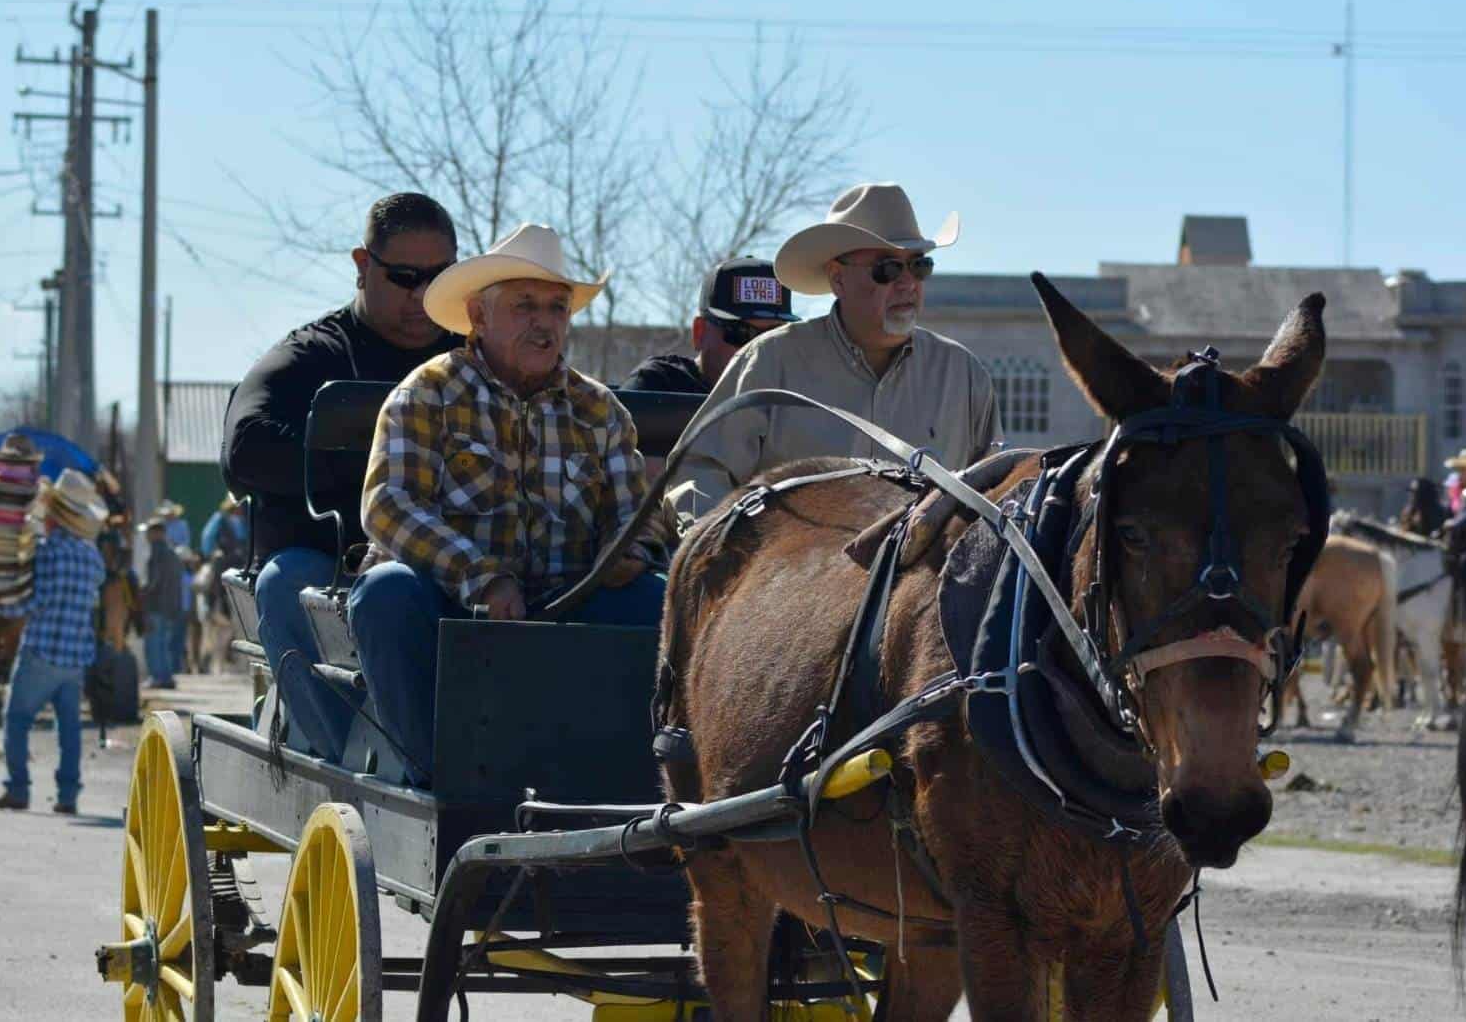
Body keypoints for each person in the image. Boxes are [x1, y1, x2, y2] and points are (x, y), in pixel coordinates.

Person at [344, 223, 666, 780]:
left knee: (659, 601)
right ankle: (436, 780)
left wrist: (630, 550)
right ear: (478, 315)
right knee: (384, 594)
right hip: (451, 613)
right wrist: (483, 577)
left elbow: (638, 515)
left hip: (573, 612)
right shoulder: (426, 394)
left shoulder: (601, 411)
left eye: (557, 308)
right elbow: (388, 506)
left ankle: (643, 779)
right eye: (524, 306)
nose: (544, 325)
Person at [222, 193, 462, 731]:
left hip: (455, 563)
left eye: (438, 277)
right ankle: (336, 760)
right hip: (328, 562)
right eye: (403, 276)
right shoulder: (312, 355)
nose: (421, 294)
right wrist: (384, 475)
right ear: (362, 266)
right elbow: (244, 450)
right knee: (285, 582)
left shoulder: (474, 358)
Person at [671, 182, 998, 528]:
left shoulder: (964, 376)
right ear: (838, 279)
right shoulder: (769, 362)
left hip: (927, 579)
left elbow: (996, 493)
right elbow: (697, 472)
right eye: (887, 269)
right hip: (792, 578)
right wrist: (727, 551)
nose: (907, 283)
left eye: (919, 266)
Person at [0, 470, 108, 814]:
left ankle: (18, 789)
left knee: (17, 718)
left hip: (42, 649)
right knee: (68, 727)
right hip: (76, 655)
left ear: (52, 515)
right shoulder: (91, 557)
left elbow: (35, 600)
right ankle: (68, 796)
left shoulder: (46, 551)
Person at [621, 258, 797, 395]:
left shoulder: (792, 396)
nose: (758, 349)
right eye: (741, 333)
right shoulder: (658, 385)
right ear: (700, 332)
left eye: (774, 335)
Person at [140, 515, 185, 689]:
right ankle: (166, 677)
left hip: (156, 605)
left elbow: (154, 581)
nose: (146, 536)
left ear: (156, 533)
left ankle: (157, 677)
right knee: (163, 644)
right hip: (169, 607)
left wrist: (143, 593)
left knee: (154, 643)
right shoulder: (171, 552)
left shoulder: (157, 552)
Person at [201, 496, 250, 569]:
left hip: (241, 555)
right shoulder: (220, 518)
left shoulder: (244, 520)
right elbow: (208, 536)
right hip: (224, 553)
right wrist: (211, 552)